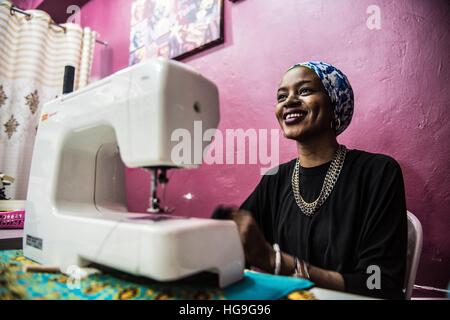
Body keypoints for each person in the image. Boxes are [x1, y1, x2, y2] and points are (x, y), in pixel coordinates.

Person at [227, 61, 407, 299]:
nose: (288, 101)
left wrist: (276, 261)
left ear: (334, 104)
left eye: (304, 91)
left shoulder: (377, 172)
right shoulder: (274, 178)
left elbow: (379, 283)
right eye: (282, 96)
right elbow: (235, 245)